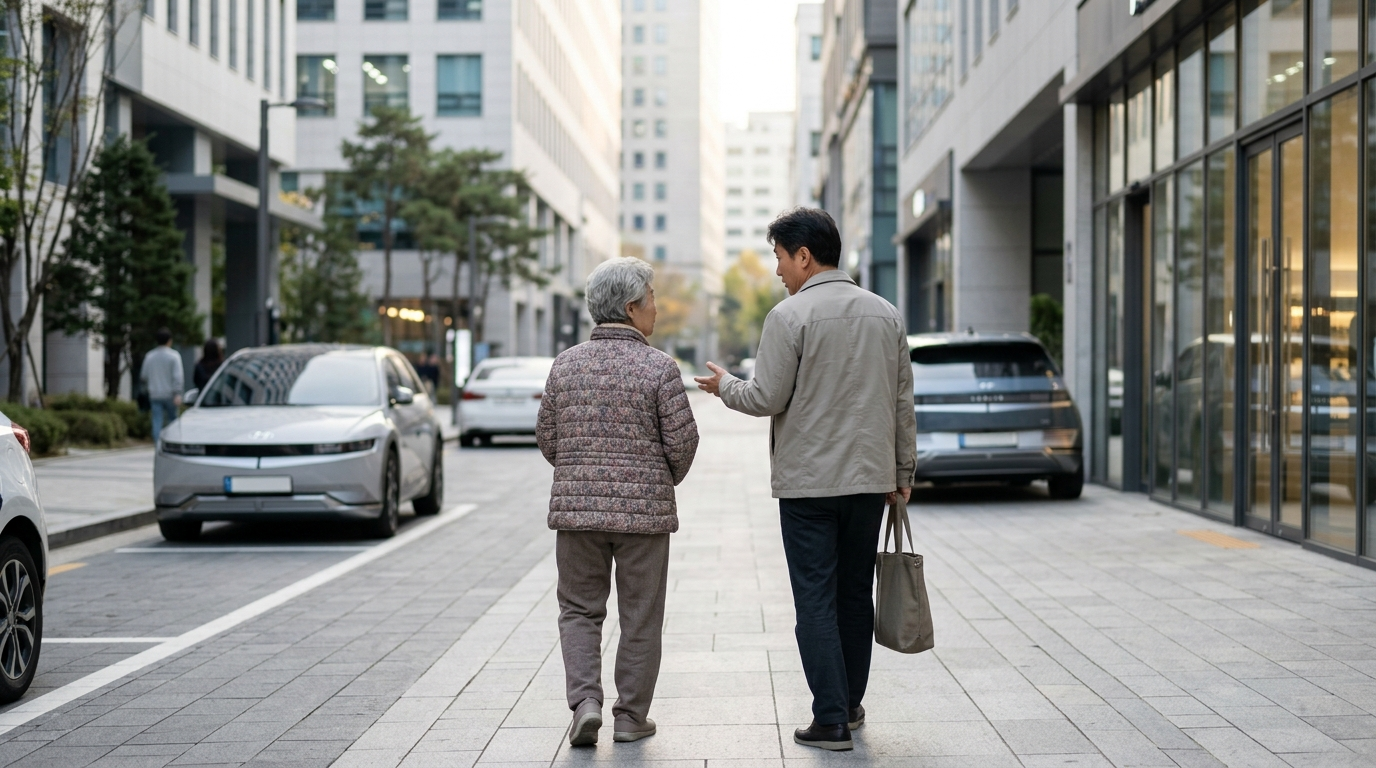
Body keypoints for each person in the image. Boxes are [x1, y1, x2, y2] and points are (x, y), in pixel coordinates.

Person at [695, 208, 916, 752]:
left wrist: (725, 387)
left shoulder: (788, 317)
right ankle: (851, 704)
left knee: (814, 598)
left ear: (803, 255)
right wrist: (903, 474)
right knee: (853, 596)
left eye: (778, 258)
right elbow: (903, 403)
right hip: (869, 482)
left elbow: (766, 397)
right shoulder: (885, 314)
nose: (777, 272)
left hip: (808, 488)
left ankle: (830, 718)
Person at [536, 257, 699, 748]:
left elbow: (548, 436)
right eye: (651, 299)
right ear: (631, 308)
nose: (657, 308)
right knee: (641, 616)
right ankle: (630, 718)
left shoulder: (565, 365)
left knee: (580, 611)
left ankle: (586, 704)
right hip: (643, 520)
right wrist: (657, 480)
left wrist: (579, 472)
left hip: (577, 515)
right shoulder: (659, 367)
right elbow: (684, 440)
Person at [142, 328, 185, 445]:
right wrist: (178, 393)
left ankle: (158, 445)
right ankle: (173, 444)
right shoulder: (174, 356)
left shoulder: (150, 356)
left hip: (155, 394)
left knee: (157, 421)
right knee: (173, 421)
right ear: (169, 341)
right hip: (171, 395)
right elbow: (178, 377)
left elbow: (143, 376)